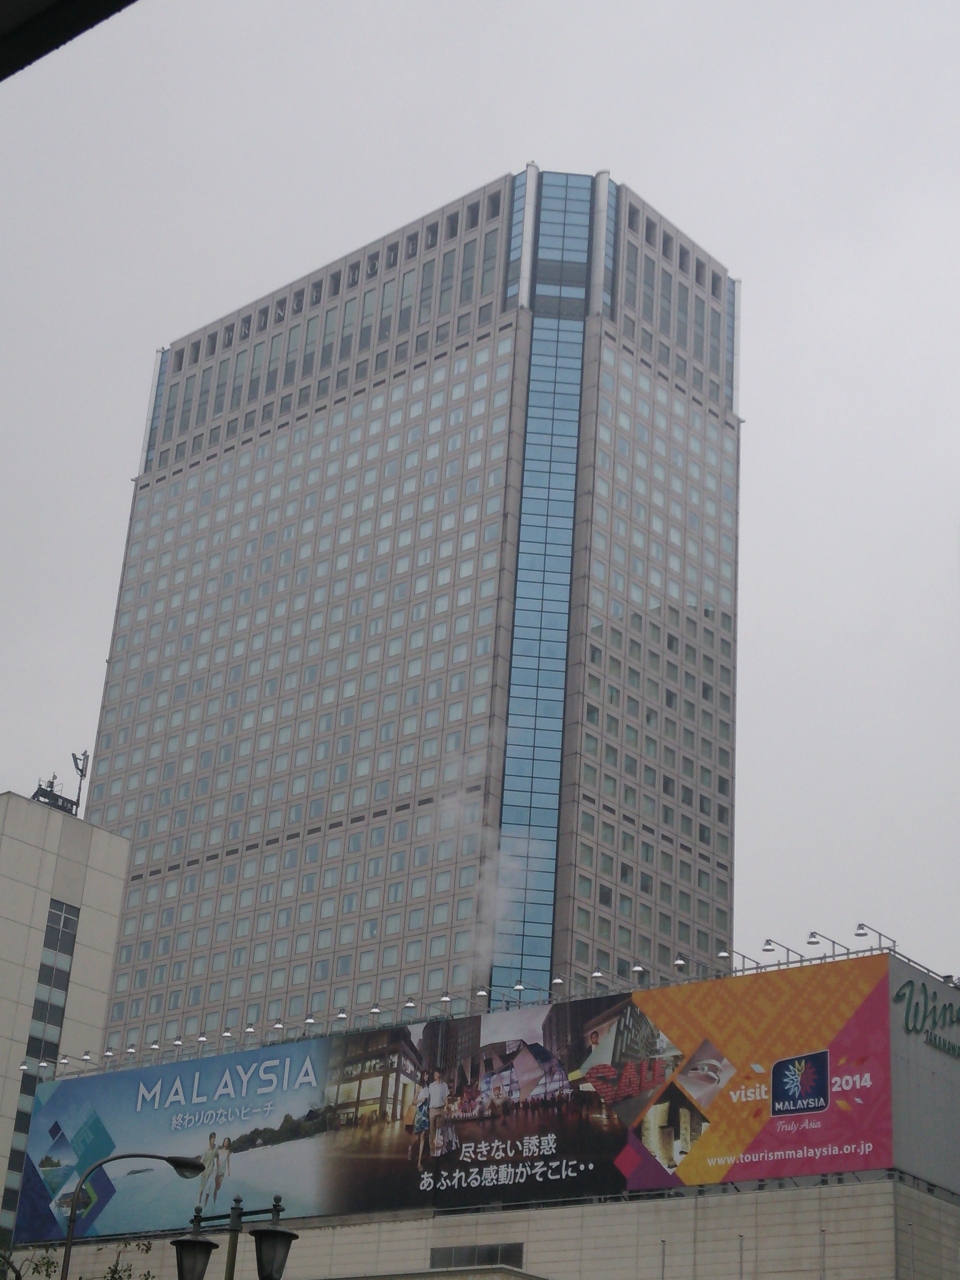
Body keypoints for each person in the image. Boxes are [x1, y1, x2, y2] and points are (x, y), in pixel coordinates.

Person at [409, 1073, 430, 1171]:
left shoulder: (427, 1088)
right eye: (425, 1075)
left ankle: (419, 1162)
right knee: (416, 1136)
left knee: (422, 1138)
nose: (427, 1077)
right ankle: (410, 1148)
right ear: (422, 1076)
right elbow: (413, 1101)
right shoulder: (419, 1087)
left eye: (427, 1075)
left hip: (425, 1115)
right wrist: (420, 1100)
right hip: (419, 1113)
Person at [427, 1069, 449, 1158]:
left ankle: (441, 1149)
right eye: (434, 1074)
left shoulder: (444, 1085)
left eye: (436, 1074)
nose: (435, 1075)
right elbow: (429, 1098)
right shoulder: (431, 1086)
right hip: (432, 1109)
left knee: (440, 1130)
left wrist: (446, 1107)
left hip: (441, 1109)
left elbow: (446, 1097)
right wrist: (428, 1109)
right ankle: (432, 1150)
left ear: (439, 1074)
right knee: (432, 1130)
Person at [199, 1133, 218, 1206]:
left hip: (211, 1171)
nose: (214, 1139)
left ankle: (205, 1205)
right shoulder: (206, 1149)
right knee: (202, 1187)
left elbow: (217, 1155)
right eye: (213, 1138)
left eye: (214, 1138)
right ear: (210, 1139)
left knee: (208, 1187)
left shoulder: (215, 1148)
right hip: (204, 1170)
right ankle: (199, 1201)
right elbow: (202, 1160)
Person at [213, 1137, 231, 1202]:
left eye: (227, 1142)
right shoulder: (219, 1151)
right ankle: (214, 1200)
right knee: (216, 1186)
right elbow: (217, 1159)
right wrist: (217, 1164)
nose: (226, 1143)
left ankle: (215, 1196)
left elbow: (228, 1161)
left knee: (219, 1186)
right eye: (225, 1141)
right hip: (218, 1170)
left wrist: (228, 1170)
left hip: (223, 1170)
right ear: (223, 1142)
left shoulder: (228, 1151)